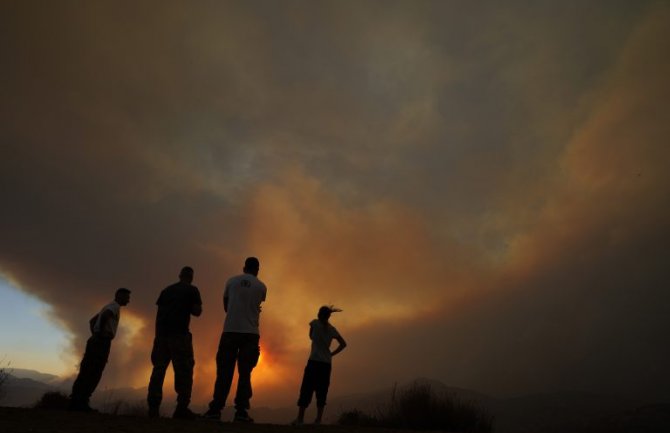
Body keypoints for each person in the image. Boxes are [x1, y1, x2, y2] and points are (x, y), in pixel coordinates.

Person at [203, 257, 267, 422]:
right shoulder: (262, 287)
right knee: (245, 374)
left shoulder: (231, 281)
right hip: (251, 333)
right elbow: (256, 305)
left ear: (244, 267)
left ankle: (215, 410)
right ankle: (241, 412)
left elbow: (226, 305)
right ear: (257, 269)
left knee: (224, 372)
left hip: (230, 330)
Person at [147, 266, 202, 419]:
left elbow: (159, 316)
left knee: (158, 370)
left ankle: (153, 408)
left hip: (161, 337)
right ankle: (181, 409)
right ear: (191, 277)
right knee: (184, 371)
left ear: (179, 275)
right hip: (180, 336)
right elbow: (197, 311)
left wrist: (157, 339)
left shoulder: (166, 291)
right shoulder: (192, 290)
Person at [69, 288, 131, 412]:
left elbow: (92, 320)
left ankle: (75, 401)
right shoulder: (114, 307)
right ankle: (81, 403)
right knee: (95, 371)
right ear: (119, 296)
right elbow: (106, 316)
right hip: (102, 341)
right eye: (127, 297)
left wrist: (94, 334)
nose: (128, 300)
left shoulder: (109, 306)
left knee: (86, 369)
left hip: (96, 340)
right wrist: (98, 335)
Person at [292, 305, 347, 425]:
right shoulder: (332, 329)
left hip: (314, 361)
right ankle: (318, 420)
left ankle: (300, 419)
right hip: (326, 364)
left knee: (306, 389)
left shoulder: (314, 324)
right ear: (328, 316)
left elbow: (311, 337)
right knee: (322, 390)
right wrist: (332, 354)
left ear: (319, 314)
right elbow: (343, 344)